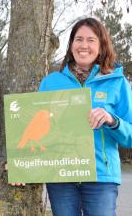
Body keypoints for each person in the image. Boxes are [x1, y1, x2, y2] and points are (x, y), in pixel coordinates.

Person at [39, 17, 132, 216]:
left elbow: (130, 136)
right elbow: (39, 129)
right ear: (71, 44)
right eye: (79, 39)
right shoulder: (50, 83)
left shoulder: (117, 82)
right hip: (61, 176)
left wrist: (112, 121)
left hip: (101, 178)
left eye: (91, 40)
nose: (84, 45)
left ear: (101, 45)